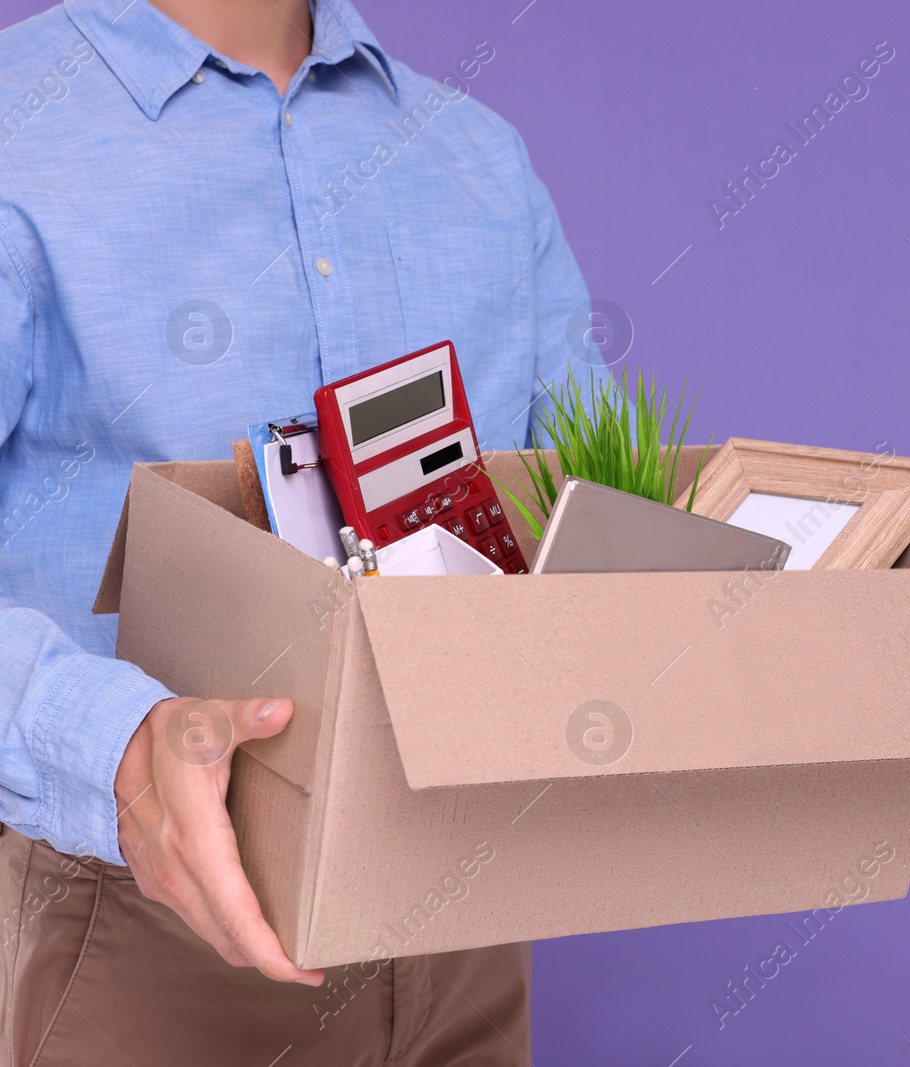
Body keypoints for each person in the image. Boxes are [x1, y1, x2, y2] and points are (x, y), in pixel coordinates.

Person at [0, 0, 594, 1060]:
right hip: (145, 915)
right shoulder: (19, 127)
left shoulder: (481, 159)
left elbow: (587, 516)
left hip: (469, 909)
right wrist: (116, 747)